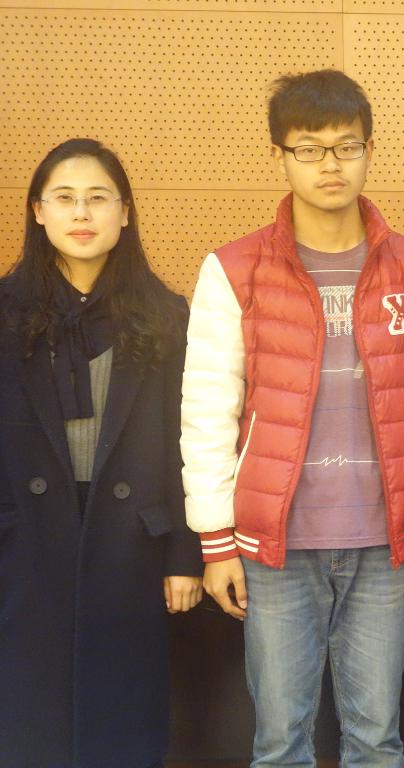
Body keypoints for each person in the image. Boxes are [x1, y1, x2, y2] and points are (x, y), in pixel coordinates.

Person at [179, 69, 404, 765]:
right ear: (280, 155)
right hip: (275, 543)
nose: (329, 164)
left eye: (346, 146)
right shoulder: (234, 268)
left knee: (377, 737)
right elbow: (207, 409)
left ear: (369, 149)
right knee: (281, 740)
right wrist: (216, 541)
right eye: (308, 148)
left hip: (387, 540)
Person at [0, 138, 203, 767]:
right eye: (64, 198)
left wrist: (185, 554)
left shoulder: (165, 314)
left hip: (132, 538)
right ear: (38, 212)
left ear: (125, 212)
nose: (82, 213)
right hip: (25, 537)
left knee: (122, 710)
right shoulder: (4, 312)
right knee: (30, 710)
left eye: (98, 198)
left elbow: (187, 441)